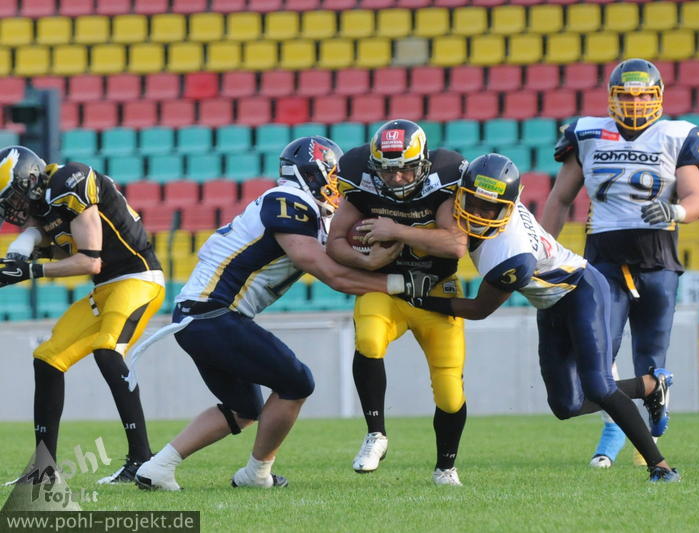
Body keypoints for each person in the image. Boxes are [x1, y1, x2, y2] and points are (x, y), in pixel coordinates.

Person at [131, 137, 434, 491]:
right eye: (331, 176)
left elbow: (343, 263)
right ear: (310, 173)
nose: (336, 185)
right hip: (212, 313)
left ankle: (158, 468)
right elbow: (332, 275)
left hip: (198, 317)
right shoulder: (289, 201)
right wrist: (399, 284)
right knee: (296, 382)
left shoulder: (305, 210)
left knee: (243, 408)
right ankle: (256, 474)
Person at [410, 153, 679, 482]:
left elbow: (480, 309)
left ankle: (660, 466)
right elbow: (443, 162)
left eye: (489, 209)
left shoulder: (511, 255)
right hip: (550, 302)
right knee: (566, 406)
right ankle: (649, 386)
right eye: (473, 202)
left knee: (598, 386)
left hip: (581, 290)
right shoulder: (468, 185)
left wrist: (422, 301)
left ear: (507, 207)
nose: (477, 213)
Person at [540, 58, 699, 468]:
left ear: (658, 96)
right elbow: (560, 199)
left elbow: (697, 200)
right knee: (599, 360)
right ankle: (619, 427)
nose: (635, 103)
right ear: (612, 97)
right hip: (604, 263)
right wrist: (541, 250)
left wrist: (675, 212)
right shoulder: (587, 133)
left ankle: (647, 422)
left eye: (644, 95)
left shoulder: (676, 135)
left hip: (657, 261)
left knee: (650, 355)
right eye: (627, 96)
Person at [0, 146, 164, 483]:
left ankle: (142, 460)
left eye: (13, 197)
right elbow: (57, 248)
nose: (12, 208)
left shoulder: (69, 179)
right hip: (105, 290)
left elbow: (90, 261)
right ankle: (43, 469)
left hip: (139, 277)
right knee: (47, 358)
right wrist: (20, 259)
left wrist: (30, 270)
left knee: (107, 350)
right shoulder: (44, 206)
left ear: (30, 178)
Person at [326, 119, 469, 485]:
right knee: (369, 339)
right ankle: (376, 433)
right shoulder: (361, 179)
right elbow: (335, 241)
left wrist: (396, 231)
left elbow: (456, 244)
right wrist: (365, 262)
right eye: (388, 170)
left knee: (449, 390)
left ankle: (445, 467)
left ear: (423, 162)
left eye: (406, 168)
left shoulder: (443, 178)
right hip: (385, 289)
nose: (398, 178)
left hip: (435, 292)